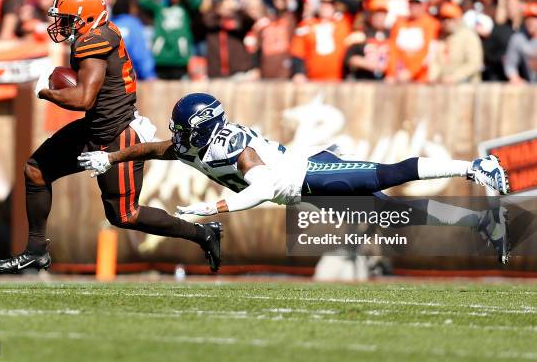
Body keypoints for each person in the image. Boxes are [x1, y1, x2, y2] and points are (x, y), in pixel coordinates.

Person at [78, 93, 512, 263]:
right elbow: (156, 148)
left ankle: (476, 167)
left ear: (205, 126)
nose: (179, 135)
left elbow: (263, 188)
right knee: (392, 215)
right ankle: (481, 223)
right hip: (298, 187)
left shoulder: (235, 149)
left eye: (185, 128)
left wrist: (215, 207)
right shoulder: (193, 144)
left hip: (307, 174)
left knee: (387, 173)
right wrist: (110, 158)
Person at [0, 0, 222, 274]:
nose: (61, 25)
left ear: (86, 18)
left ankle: (204, 234)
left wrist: (44, 92)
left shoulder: (95, 42)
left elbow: (83, 98)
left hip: (117, 134)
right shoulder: (97, 32)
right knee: (36, 170)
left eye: (66, 18)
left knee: (124, 215)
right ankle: (36, 251)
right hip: (95, 128)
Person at [386, 0, 440, 83]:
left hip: (421, 77)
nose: (414, 6)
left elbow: (428, 51)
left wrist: (411, 72)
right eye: (411, 3)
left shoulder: (431, 24)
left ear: (424, 5)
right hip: (398, 74)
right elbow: (393, 48)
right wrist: (391, 72)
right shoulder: (399, 22)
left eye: (417, 3)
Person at [428, 2, 484, 83]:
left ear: (458, 19)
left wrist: (454, 77)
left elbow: (474, 63)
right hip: (444, 87)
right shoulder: (441, 37)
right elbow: (435, 62)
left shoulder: (469, 36)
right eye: (443, 19)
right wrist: (433, 77)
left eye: (449, 18)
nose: (446, 22)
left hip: (467, 87)